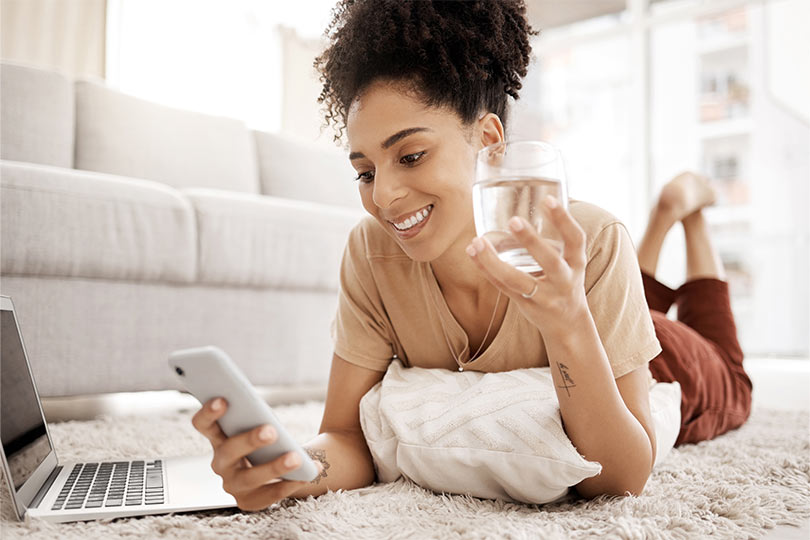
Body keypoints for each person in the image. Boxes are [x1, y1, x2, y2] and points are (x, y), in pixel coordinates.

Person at [191, 0, 753, 510]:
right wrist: (295, 469)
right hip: (606, 316)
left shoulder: (595, 238)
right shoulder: (372, 254)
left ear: (488, 142)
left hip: (663, 359)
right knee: (639, 301)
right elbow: (344, 435)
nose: (383, 197)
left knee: (728, 367)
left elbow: (625, 478)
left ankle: (686, 211)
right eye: (364, 171)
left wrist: (570, 328)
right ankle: (661, 225)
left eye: (410, 156)